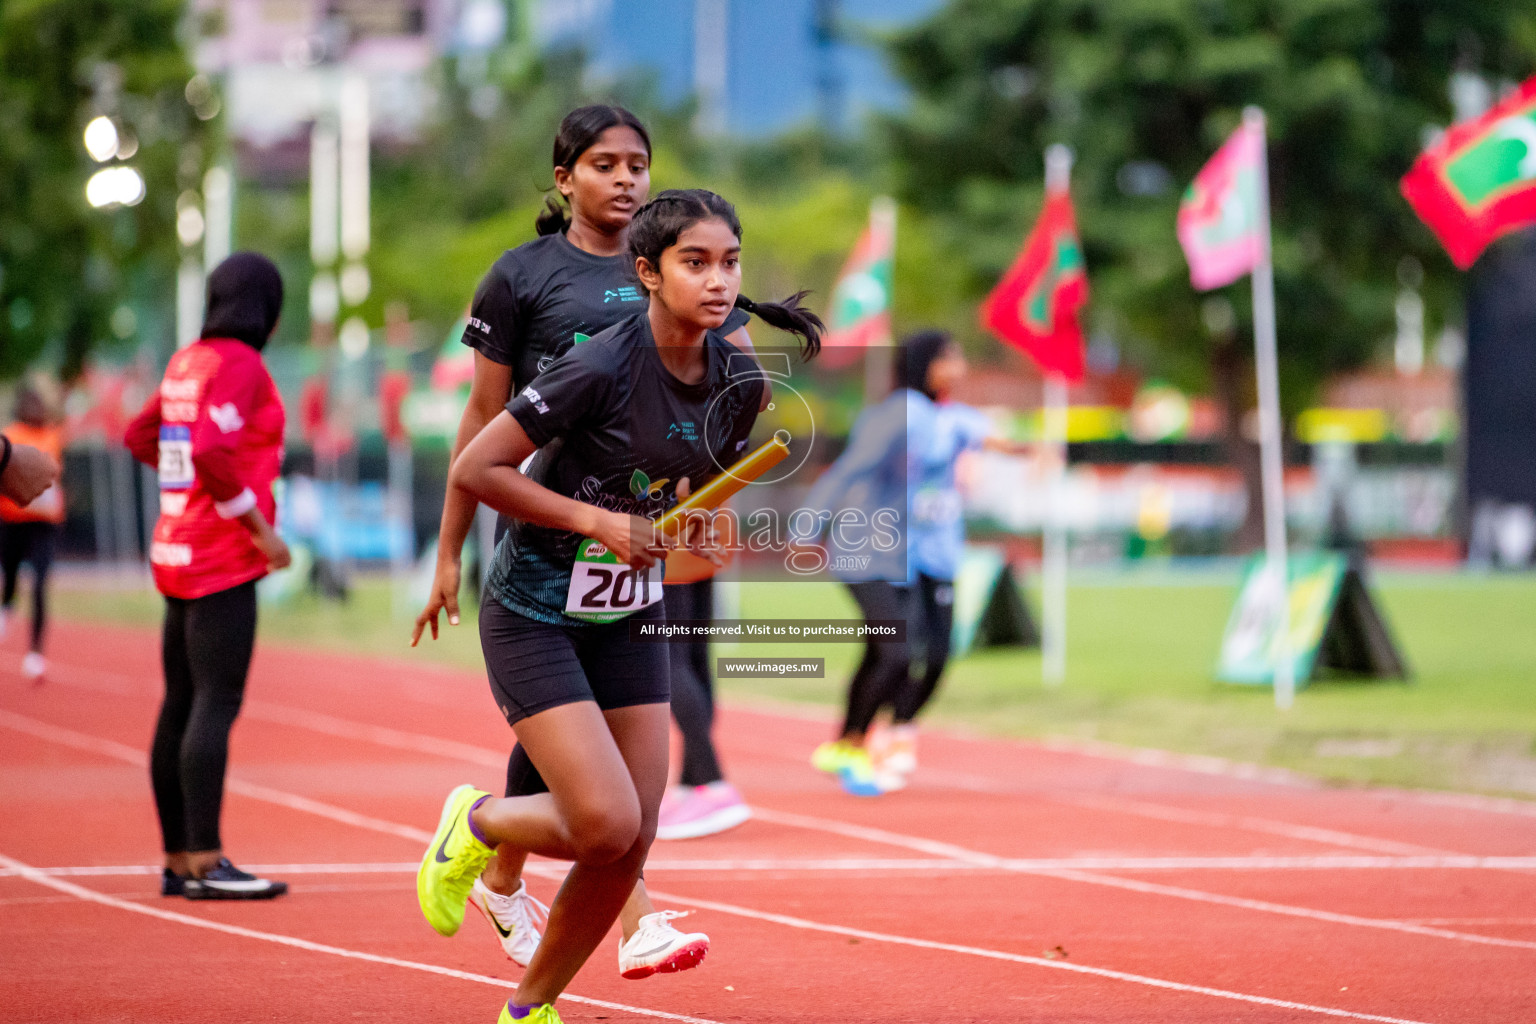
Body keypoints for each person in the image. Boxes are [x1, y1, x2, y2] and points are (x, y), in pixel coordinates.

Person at [416, 189, 821, 1024]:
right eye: (695, 262)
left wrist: (704, 524)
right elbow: (477, 471)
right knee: (603, 822)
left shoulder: (740, 381)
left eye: (731, 262)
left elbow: (697, 492)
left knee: (632, 836)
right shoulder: (599, 364)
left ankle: (529, 1010)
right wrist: (600, 521)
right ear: (647, 271)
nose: (719, 280)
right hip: (535, 607)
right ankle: (479, 822)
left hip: (629, 608)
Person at [124, 252, 293, 899]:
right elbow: (210, 450)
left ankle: (178, 859)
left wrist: (183, 496)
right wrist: (260, 531)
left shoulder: (187, 361)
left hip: (174, 551)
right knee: (214, 704)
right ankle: (207, 858)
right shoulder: (242, 365)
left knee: (180, 702)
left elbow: (145, 436)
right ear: (266, 309)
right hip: (222, 558)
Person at [806, 330, 1033, 794]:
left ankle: (863, 739)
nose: (961, 365)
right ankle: (856, 742)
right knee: (894, 650)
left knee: (892, 651)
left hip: (907, 554)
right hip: (865, 548)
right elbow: (853, 467)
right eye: (951, 357)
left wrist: (1035, 450)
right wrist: (810, 524)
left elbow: (992, 439)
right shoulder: (899, 416)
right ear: (925, 364)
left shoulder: (948, 419)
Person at [654, 576, 751, 839]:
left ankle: (711, 782)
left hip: (668, 550)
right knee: (694, 659)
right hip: (701, 551)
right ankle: (691, 783)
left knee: (670, 658)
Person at [0, 378, 65, 681]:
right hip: (12, 521)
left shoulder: (53, 437)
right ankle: (6, 606)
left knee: (40, 584)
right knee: (10, 573)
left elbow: (55, 477)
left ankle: (36, 653)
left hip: (44, 524)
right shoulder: (10, 434)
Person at [0, 436, 58, 508]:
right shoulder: (14, 432)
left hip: (48, 513)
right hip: (14, 514)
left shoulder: (53, 436)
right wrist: (7, 454)